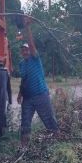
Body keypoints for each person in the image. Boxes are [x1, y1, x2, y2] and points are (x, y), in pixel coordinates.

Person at [17, 16, 59, 147]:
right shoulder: (22, 64)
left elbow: (31, 43)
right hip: (28, 99)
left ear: (30, 50)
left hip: (41, 96)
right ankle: (24, 151)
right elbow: (24, 80)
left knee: (50, 122)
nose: (25, 51)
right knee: (25, 125)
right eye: (23, 50)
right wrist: (19, 94)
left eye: (26, 49)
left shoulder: (35, 58)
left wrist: (27, 27)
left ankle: (58, 147)